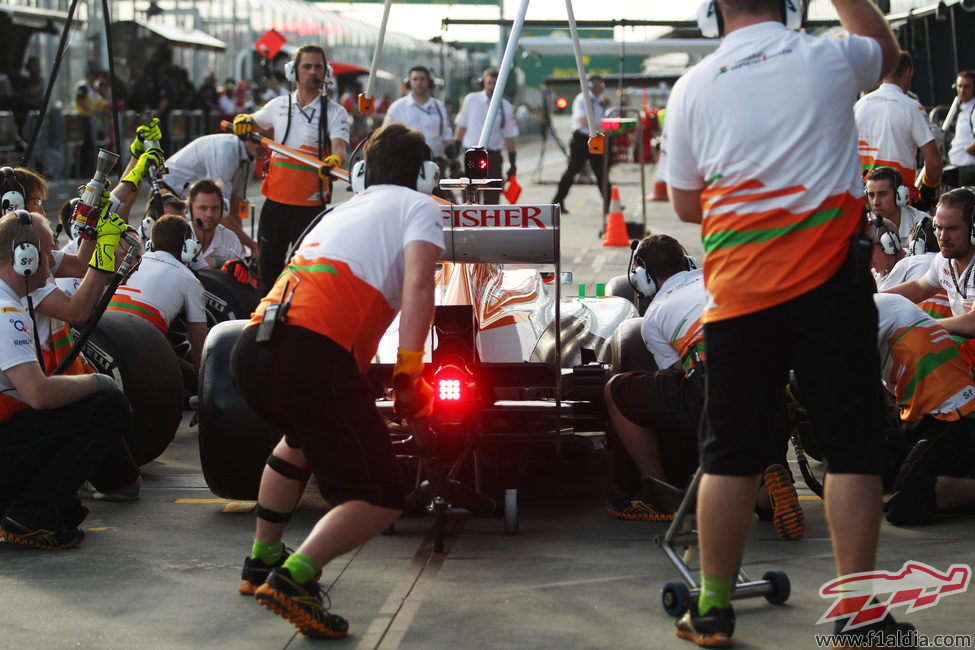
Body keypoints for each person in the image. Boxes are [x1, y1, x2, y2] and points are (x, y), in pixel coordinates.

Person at [658, 0, 902, 645]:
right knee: (851, 446)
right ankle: (860, 616)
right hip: (831, 286)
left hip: (741, 294)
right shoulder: (829, 56)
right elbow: (889, 50)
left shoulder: (692, 87)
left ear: (714, 12)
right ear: (793, 4)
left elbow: (685, 202)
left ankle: (712, 608)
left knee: (730, 456)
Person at [229, 123, 443, 638]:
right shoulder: (421, 208)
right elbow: (419, 283)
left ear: (362, 173)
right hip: (310, 354)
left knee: (300, 438)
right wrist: (409, 370)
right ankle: (296, 577)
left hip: (253, 348)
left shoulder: (339, 210)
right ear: (427, 175)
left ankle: (262, 560)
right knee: (382, 495)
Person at [604, 234, 804, 541]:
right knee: (764, 491)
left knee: (617, 391)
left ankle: (659, 493)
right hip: (769, 380)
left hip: (715, 383)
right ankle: (772, 486)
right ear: (687, 262)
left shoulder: (654, 315)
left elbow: (676, 374)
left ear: (643, 278)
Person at [0, 210, 140, 550]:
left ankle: (41, 502)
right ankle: (30, 516)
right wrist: (100, 383)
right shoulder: (5, 311)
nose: (53, 259)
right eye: (48, 251)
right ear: (24, 257)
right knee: (108, 405)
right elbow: (39, 394)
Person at [232, 44, 350, 286]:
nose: (312, 71)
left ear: (325, 73)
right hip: (275, 204)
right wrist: (243, 120)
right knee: (268, 271)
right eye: (306, 66)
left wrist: (336, 159)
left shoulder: (335, 112)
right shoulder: (278, 105)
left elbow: (339, 147)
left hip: (310, 208)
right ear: (293, 72)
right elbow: (253, 122)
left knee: (306, 275)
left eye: (318, 67)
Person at [871, 293, 975, 527]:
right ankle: (942, 480)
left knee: (903, 506)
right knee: (861, 472)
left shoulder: (877, 306)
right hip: (918, 417)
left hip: (953, 414)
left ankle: (949, 484)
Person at [109, 215, 206, 371]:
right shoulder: (191, 281)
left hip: (105, 334)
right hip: (141, 350)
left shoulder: (134, 263)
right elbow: (199, 351)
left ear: (149, 244)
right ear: (188, 247)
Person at [854, 51, 942, 206]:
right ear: (907, 73)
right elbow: (934, 162)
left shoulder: (860, 105)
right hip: (901, 200)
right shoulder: (911, 106)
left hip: (867, 198)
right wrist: (928, 191)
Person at [158, 133, 262, 256]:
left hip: (189, 195)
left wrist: (241, 250)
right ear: (248, 136)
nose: (266, 146)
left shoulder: (249, 162)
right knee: (170, 246)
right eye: (261, 140)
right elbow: (222, 212)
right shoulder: (226, 152)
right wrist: (252, 245)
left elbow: (233, 208)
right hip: (169, 190)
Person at [383, 66, 454, 199]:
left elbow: (446, 135)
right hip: (407, 165)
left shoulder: (438, 106)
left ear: (429, 82)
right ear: (409, 83)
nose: (419, 82)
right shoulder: (398, 107)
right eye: (415, 79)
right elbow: (386, 138)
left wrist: (453, 158)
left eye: (422, 79)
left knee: (445, 206)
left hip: (435, 166)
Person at [453, 68, 518, 205]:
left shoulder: (506, 107)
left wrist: (513, 162)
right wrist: (454, 155)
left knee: (492, 199)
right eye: (489, 82)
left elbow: (509, 136)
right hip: (471, 156)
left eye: (496, 83)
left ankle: (489, 225)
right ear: (483, 83)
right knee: (470, 198)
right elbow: (461, 127)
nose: (492, 86)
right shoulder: (471, 100)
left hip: (493, 156)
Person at [552, 74, 609, 216]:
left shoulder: (597, 101)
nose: (602, 87)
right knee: (572, 171)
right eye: (599, 84)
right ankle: (556, 202)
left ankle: (610, 203)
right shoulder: (582, 98)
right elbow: (582, 119)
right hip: (582, 139)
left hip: (595, 138)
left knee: (601, 172)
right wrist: (600, 128)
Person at [185, 178, 244, 271]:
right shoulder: (180, 238)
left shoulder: (231, 239)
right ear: (189, 210)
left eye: (215, 208)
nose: (209, 214)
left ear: (223, 210)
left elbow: (246, 278)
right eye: (203, 208)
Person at [864, 166, 929, 247]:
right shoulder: (862, 226)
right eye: (871, 195)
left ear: (900, 195)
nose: (875, 202)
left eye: (883, 194)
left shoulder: (923, 225)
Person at [947, 70, 975, 186]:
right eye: (960, 86)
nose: (962, 90)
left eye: (967, 87)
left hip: (968, 169)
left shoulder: (973, 109)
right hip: (957, 167)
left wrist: (967, 150)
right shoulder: (961, 106)